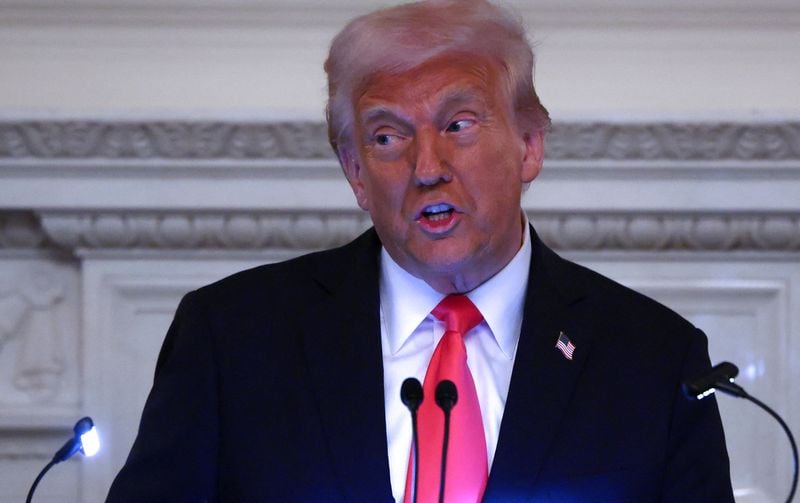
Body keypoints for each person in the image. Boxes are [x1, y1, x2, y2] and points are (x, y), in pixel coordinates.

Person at [107, 1, 734, 501]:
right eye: (387, 137)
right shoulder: (231, 337)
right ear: (355, 172)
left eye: (459, 124)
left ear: (529, 146)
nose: (427, 167)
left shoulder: (654, 360)